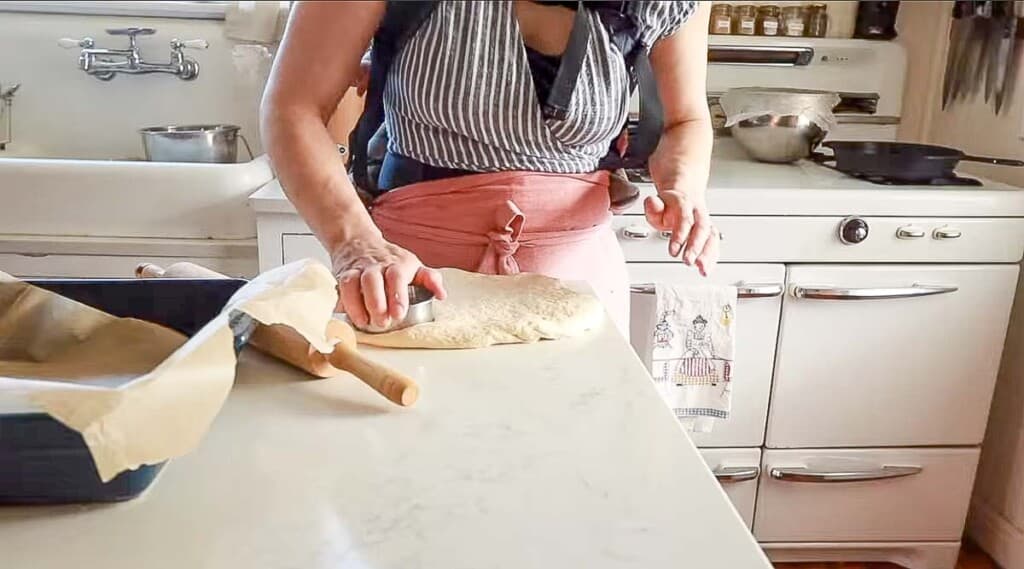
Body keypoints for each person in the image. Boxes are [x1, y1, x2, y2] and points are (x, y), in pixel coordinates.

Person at [261, 1, 717, 333]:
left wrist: (683, 186)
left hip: (580, 290)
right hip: (409, 288)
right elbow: (292, 108)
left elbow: (687, 120)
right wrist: (357, 246)